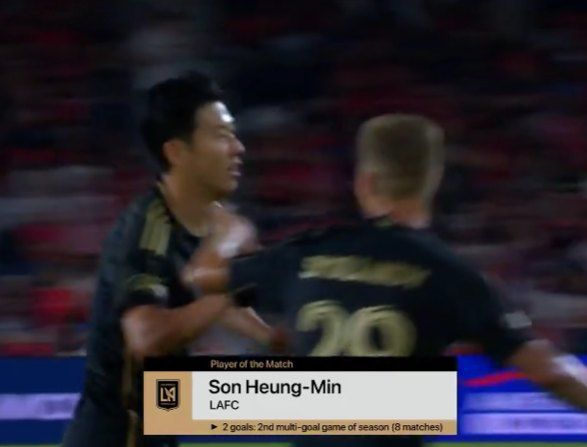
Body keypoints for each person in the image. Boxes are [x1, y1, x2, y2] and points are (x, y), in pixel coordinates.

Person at [184, 114, 587, 447]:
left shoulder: (302, 256)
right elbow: (550, 372)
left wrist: (231, 230)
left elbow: (201, 276)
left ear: (365, 181)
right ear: (432, 180)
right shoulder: (454, 276)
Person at [63, 72, 278, 447]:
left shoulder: (208, 223)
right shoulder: (147, 228)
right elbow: (146, 336)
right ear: (177, 152)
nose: (238, 148)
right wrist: (230, 285)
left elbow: (213, 299)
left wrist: (275, 339)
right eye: (221, 136)